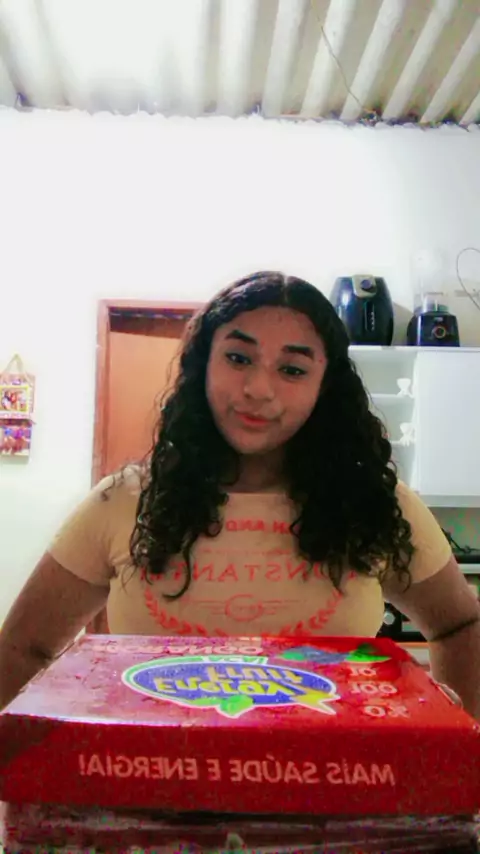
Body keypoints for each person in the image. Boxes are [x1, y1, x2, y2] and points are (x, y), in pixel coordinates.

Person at [1, 271, 479, 716]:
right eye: (238, 358)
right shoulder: (123, 500)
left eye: (292, 369)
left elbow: (460, 626)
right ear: (203, 364)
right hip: (149, 775)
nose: (258, 389)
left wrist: (462, 753)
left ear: (324, 387)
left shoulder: (376, 503)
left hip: (332, 777)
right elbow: (23, 646)